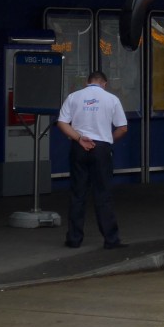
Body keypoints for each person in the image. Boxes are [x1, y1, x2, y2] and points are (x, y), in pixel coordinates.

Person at [56, 71, 128, 249]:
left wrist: (79, 138)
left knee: (77, 194)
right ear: (104, 83)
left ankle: (74, 239)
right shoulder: (111, 99)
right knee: (103, 195)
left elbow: (62, 123)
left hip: (79, 148)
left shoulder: (74, 97)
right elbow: (123, 128)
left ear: (87, 83)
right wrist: (107, 139)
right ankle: (111, 240)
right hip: (101, 148)